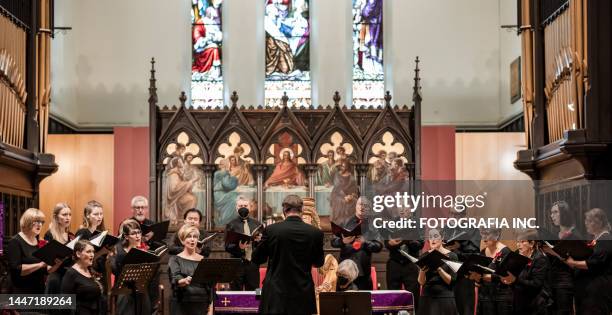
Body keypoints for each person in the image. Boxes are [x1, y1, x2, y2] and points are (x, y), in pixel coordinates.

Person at [252, 194, 325, 315]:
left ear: (284, 210)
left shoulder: (271, 230)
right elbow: (319, 263)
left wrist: (258, 244)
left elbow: (257, 258)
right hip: (303, 292)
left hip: (276, 293)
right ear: (301, 210)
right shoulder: (315, 233)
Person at [565, 208, 612, 314]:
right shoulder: (595, 240)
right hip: (587, 291)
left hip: (598, 291)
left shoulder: (606, 239)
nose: (586, 223)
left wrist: (572, 262)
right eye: (586, 220)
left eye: (589, 221)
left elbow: (595, 263)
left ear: (599, 222)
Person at [331, 196, 382, 290]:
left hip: (363, 272)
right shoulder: (344, 221)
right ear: (356, 206)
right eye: (360, 204)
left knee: (363, 302)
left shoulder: (373, 225)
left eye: (365, 205)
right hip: (345, 271)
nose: (362, 207)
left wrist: (365, 241)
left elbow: (378, 247)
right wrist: (343, 241)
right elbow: (333, 242)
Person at [7, 208, 59, 294]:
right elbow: (16, 270)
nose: (40, 224)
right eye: (36, 221)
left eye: (42, 222)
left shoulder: (40, 242)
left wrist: (57, 264)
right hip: (21, 291)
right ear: (27, 221)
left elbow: (45, 271)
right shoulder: (15, 241)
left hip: (38, 289)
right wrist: (40, 264)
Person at [542, 201, 581, 315]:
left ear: (564, 213)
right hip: (551, 281)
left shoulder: (575, 235)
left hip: (565, 282)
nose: (551, 215)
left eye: (555, 212)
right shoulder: (555, 234)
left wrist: (553, 252)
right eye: (551, 213)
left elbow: (576, 263)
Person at [503, 229, 551, 315]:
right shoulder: (516, 254)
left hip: (534, 304)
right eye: (517, 241)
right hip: (518, 301)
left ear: (531, 243)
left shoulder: (540, 259)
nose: (518, 244)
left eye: (522, 241)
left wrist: (515, 280)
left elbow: (536, 284)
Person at [168, 225, 213, 315]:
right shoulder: (175, 259)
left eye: (195, 237)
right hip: (181, 302)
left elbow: (210, 286)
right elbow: (175, 277)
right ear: (182, 240)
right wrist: (183, 281)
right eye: (189, 236)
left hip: (201, 303)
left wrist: (211, 307)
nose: (192, 239)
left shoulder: (204, 260)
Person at [384, 206, 424, 307]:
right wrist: (390, 243)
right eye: (400, 207)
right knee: (393, 297)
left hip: (410, 264)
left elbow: (420, 244)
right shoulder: (391, 223)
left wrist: (409, 239)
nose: (402, 210)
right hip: (394, 264)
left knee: (413, 297)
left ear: (411, 209)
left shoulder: (418, 223)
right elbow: (386, 243)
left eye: (405, 207)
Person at [444, 207, 481, 315]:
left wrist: (457, 249)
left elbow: (474, 254)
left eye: (457, 214)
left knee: (465, 308)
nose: (454, 217)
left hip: (464, 274)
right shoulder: (447, 228)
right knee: (450, 307)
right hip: (448, 273)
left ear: (464, 215)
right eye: (452, 214)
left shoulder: (472, 229)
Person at [111, 219, 151, 315]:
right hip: (125, 291)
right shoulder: (120, 252)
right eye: (133, 233)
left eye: (139, 232)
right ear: (126, 236)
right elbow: (116, 272)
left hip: (140, 289)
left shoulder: (143, 251)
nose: (137, 236)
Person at [469, 228, 513, 315]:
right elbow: (480, 272)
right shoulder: (482, 252)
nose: (484, 237)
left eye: (487, 234)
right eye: (482, 234)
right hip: (485, 296)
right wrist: (476, 277)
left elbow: (508, 276)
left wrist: (490, 277)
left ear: (497, 235)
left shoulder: (506, 252)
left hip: (501, 297)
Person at [416, 228, 458, 315]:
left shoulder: (452, 256)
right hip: (427, 296)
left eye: (435, 236)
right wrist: (422, 271)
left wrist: (439, 269)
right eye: (430, 237)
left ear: (442, 237)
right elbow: (421, 282)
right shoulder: (424, 256)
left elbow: (451, 281)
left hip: (445, 296)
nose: (433, 239)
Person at [225, 196, 263, 290]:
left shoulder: (257, 224)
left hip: (252, 264)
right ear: (236, 208)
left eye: (245, 205)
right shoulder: (231, 224)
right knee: (235, 292)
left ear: (250, 207)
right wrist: (239, 247)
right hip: (237, 264)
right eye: (240, 205)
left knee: (254, 293)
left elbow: (264, 245)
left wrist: (259, 241)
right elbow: (227, 246)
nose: (243, 207)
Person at [61, 240, 103, 315]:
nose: (92, 255)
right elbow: (65, 304)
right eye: (88, 252)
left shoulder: (89, 270)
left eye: (93, 251)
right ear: (78, 254)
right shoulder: (71, 273)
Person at [44, 202, 76, 296]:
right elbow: (49, 265)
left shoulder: (72, 236)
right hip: (56, 277)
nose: (68, 217)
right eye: (64, 214)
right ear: (56, 217)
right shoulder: (50, 235)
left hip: (69, 277)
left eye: (70, 214)